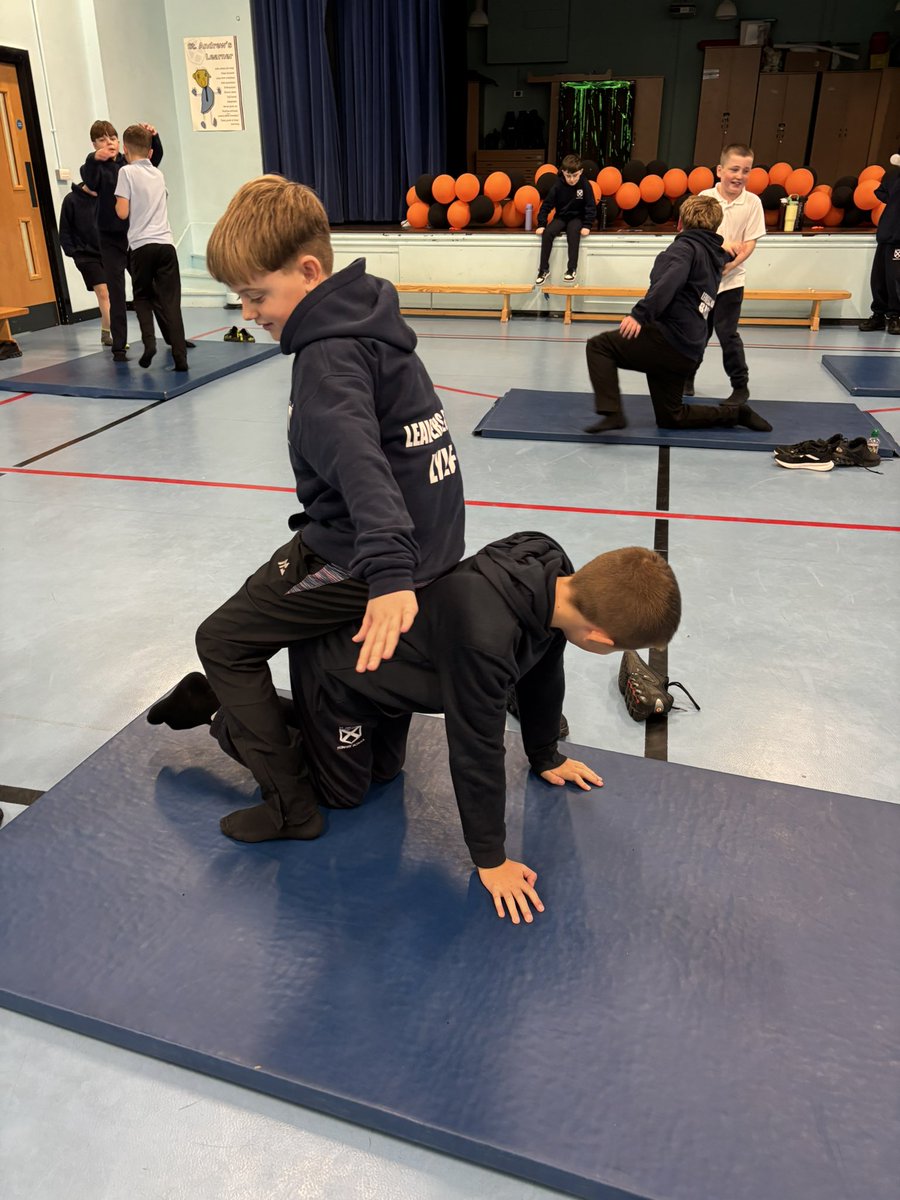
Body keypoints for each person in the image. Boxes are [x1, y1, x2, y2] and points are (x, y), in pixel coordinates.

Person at [148, 174, 466, 845]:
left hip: (362, 555)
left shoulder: (327, 360)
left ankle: (290, 806)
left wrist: (387, 577)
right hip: (425, 548)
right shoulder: (372, 317)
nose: (250, 311)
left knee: (223, 642)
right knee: (339, 695)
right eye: (242, 297)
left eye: (258, 294)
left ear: (310, 269)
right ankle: (296, 742)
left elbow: (362, 468)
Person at [150, 533, 682, 925]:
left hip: (396, 682)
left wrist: (545, 753)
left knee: (386, 771)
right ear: (599, 635)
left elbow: (543, 666)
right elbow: (475, 749)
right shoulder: (485, 637)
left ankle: (250, 709)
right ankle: (217, 709)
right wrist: (490, 859)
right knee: (342, 795)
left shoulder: (551, 566)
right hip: (342, 678)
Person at [583, 194, 772, 434]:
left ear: (681, 223)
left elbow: (668, 283)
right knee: (672, 417)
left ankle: (612, 414)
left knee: (599, 346)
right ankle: (736, 413)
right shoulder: (714, 254)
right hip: (688, 351)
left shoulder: (683, 249)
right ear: (715, 226)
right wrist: (730, 248)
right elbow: (720, 250)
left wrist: (639, 315)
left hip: (667, 342)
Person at [80, 120, 190, 362]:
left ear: (122, 144)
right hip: (110, 238)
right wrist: (93, 157)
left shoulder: (127, 163)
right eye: (102, 140)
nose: (108, 143)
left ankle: (174, 338)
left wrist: (155, 136)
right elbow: (88, 179)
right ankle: (119, 345)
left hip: (136, 237)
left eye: (112, 138)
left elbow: (152, 156)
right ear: (95, 145)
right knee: (117, 291)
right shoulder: (95, 167)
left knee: (153, 289)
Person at [688, 143, 767, 402]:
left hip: (732, 283)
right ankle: (687, 377)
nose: (739, 176)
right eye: (734, 169)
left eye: (746, 170)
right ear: (720, 170)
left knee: (727, 333)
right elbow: (695, 235)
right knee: (696, 332)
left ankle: (740, 386)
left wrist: (729, 267)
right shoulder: (705, 196)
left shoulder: (752, 203)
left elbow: (750, 242)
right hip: (703, 283)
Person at [114, 124, 188, 371]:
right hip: (166, 245)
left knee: (143, 297)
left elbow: (123, 212)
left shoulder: (125, 172)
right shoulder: (158, 174)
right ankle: (181, 359)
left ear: (125, 149)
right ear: (150, 152)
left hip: (141, 245)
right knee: (171, 303)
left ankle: (149, 344)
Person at [58, 181, 111, 345]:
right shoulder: (71, 200)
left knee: (112, 294)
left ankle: (106, 330)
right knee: (103, 292)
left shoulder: (106, 198)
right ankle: (112, 335)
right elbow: (64, 230)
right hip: (85, 256)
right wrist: (73, 252)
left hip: (107, 253)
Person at [534, 154, 596, 286]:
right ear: (563, 172)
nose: (572, 179)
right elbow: (547, 205)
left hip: (576, 218)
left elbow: (590, 205)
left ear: (581, 172)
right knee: (548, 233)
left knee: (573, 233)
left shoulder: (585, 184)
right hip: (561, 217)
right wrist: (542, 223)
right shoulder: (558, 185)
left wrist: (587, 225)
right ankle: (543, 270)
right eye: (568, 176)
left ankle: (571, 269)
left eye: (575, 176)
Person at [858, 150, 900, 336]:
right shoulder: (892, 175)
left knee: (895, 278)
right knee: (879, 277)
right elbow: (882, 195)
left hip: (899, 238)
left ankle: (895, 316)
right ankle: (879, 314)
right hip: (886, 232)